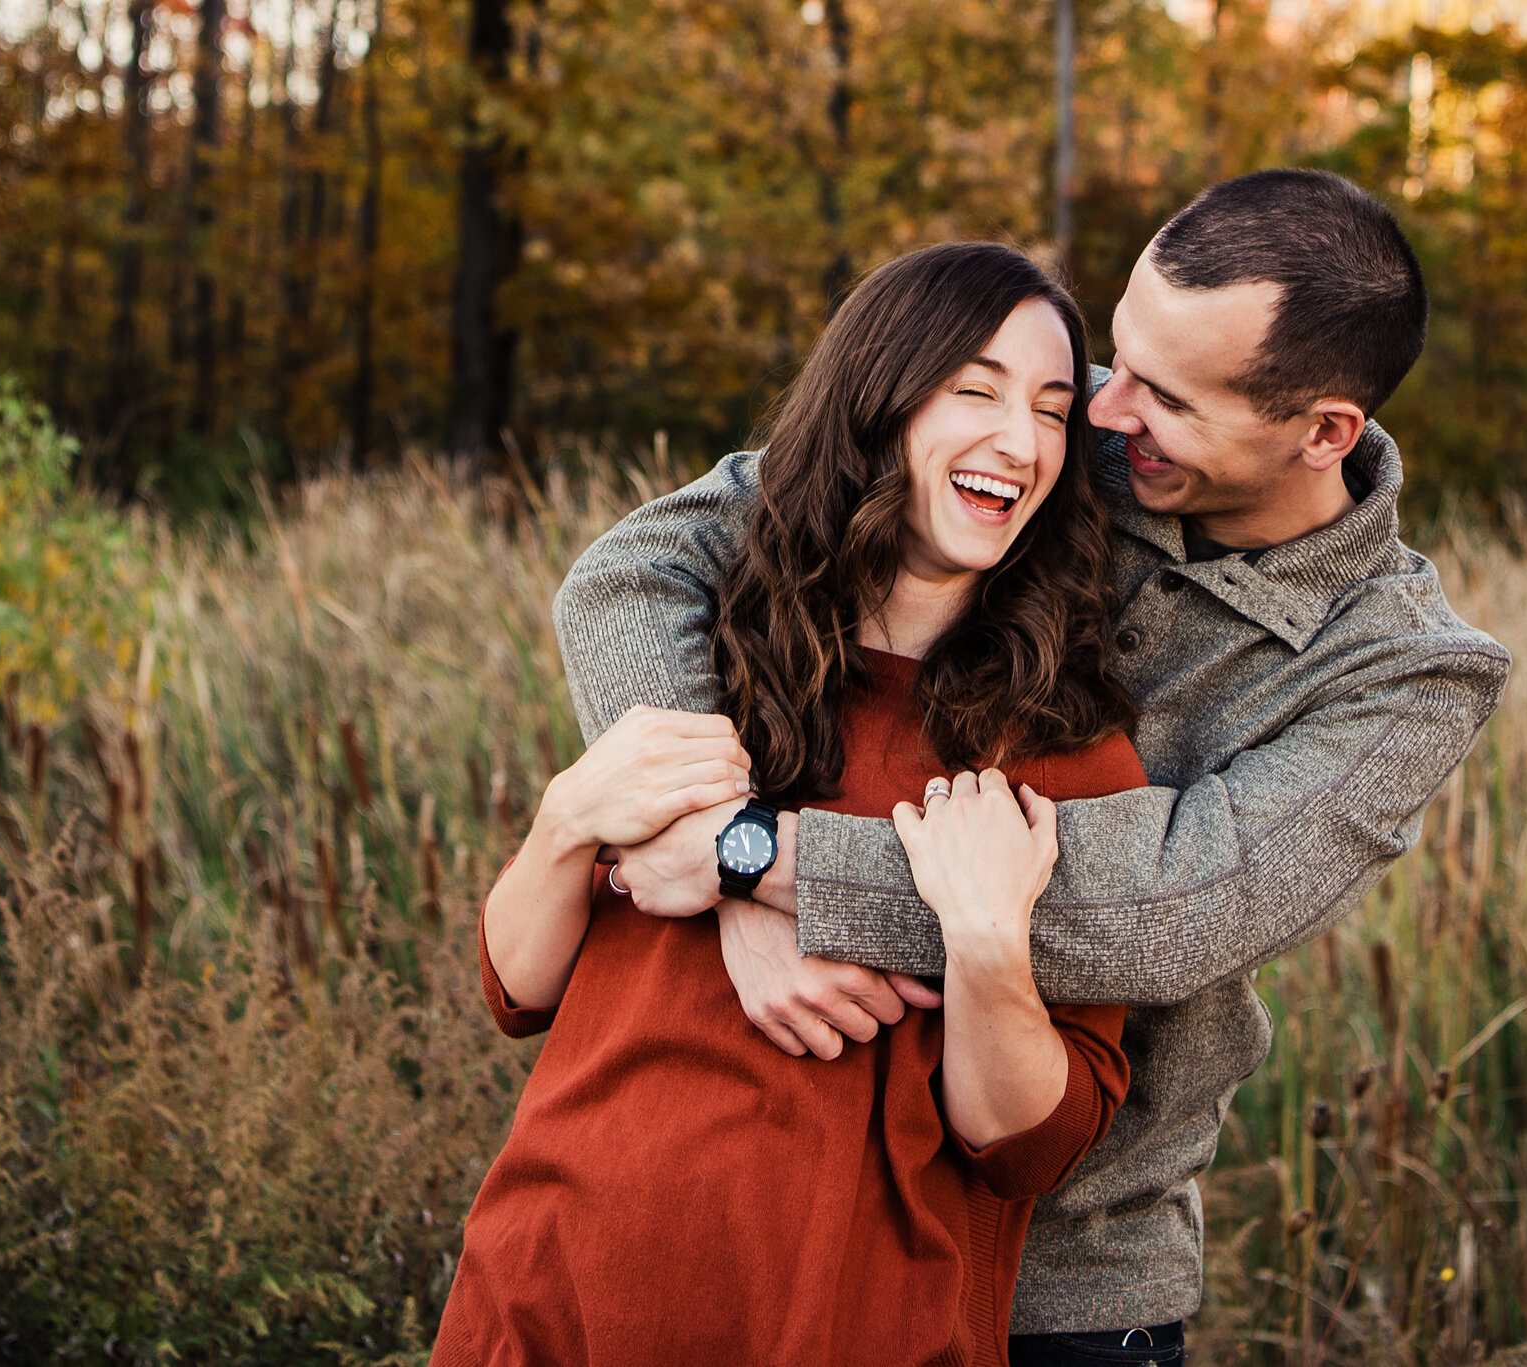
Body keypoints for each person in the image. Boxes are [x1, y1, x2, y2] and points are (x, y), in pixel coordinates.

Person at [554, 169, 1513, 1362]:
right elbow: (640, 568)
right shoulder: (1041, 428)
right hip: (798, 1204)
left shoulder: (1405, 671)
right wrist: (715, 838)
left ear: (1324, 430)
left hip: (1065, 1269)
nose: (1105, 415)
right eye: (1116, 356)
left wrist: (762, 863)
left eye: (1163, 396)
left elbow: (1168, 907)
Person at [432, 242, 1152, 1366]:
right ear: (876, 401)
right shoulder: (701, 658)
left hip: (843, 1327)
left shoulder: (1062, 753)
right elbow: (518, 989)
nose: (1019, 440)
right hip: (550, 1293)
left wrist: (984, 942)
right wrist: (568, 822)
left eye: (1054, 412)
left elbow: (1024, 1145)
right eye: (973, 390)